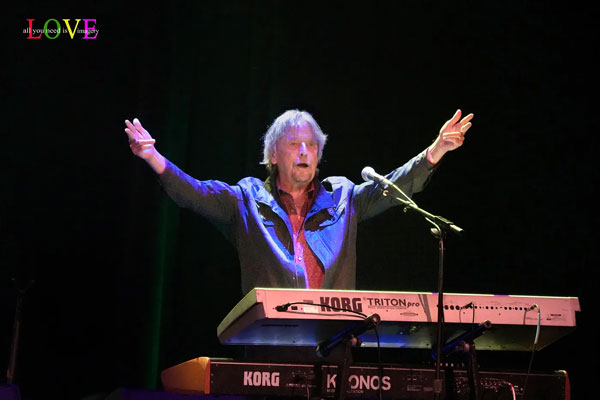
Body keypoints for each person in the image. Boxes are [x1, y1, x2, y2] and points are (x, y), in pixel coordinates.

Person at [125, 109, 473, 295]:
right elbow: (195, 192)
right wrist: (153, 157)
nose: (305, 151)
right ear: (273, 155)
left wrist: (436, 150)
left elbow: (396, 184)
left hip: (334, 340)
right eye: (294, 144)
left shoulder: (344, 198)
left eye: (311, 145)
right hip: (270, 338)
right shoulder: (246, 199)